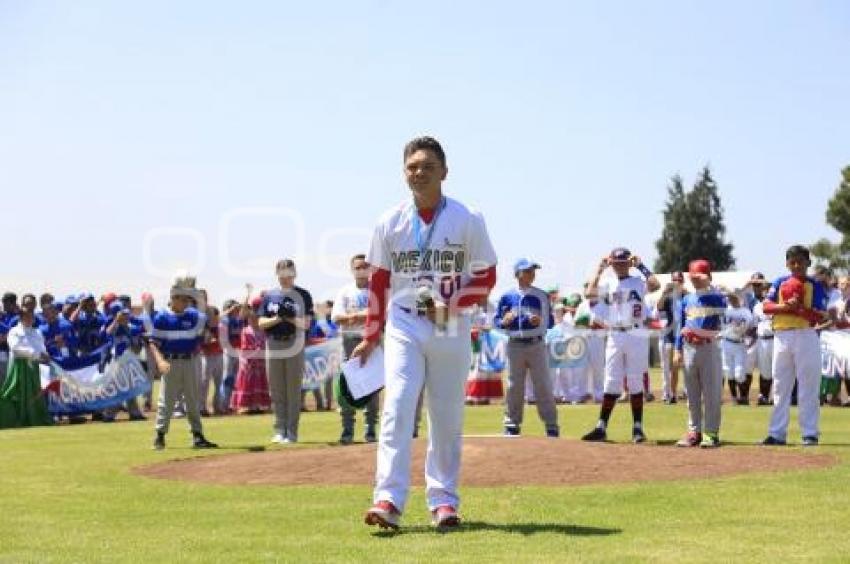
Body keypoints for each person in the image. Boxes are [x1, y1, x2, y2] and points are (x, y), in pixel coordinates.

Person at [355, 136, 497, 531]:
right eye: (412, 167)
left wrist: (450, 307)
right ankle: (388, 498)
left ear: (444, 173)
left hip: (450, 323)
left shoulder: (468, 217)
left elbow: (487, 275)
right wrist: (371, 333)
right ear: (404, 173)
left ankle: (444, 501)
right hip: (404, 320)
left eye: (427, 167)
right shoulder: (389, 221)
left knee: (446, 415)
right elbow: (379, 281)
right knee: (397, 406)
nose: (419, 173)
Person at [581, 247, 660, 444]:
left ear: (629, 262)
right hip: (615, 333)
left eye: (623, 262)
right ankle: (601, 426)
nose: (620, 265)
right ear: (612, 264)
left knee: (635, 381)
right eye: (616, 263)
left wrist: (641, 266)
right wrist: (599, 270)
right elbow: (589, 295)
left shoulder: (638, 282)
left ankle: (637, 428)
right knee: (611, 381)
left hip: (636, 333)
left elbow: (656, 285)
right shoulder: (607, 283)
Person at [761, 245, 828, 446]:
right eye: (792, 261)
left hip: (806, 334)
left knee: (808, 386)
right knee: (781, 386)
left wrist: (798, 309)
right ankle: (777, 433)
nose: (796, 265)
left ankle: (809, 433)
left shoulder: (814, 284)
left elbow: (818, 315)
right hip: (782, 335)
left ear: (809, 262)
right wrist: (785, 307)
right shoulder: (781, 282)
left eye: (801, 261)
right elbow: (766, 306)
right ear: (787, 263)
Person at [495, 258, 559, 437]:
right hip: (514, 344)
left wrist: (538, 321)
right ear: (518, 274)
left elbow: (549, 323)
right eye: (528, 271)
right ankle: (511, 424)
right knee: (514, 386)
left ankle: (551, 424)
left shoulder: (541, 295)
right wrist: (504, 321)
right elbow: (497, 322)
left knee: (543, 385)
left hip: (536, 343)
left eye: (533, 271)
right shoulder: (507, 296)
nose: (532, 274)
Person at [149, 286, 217, 450]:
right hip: (171, 361)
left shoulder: (193, 315)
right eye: (183, 299)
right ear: (173, 299)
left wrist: (202, 301)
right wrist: (159, 361)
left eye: (188, 299)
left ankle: (197, 435)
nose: (186, 302)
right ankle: (160, 435)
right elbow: (153, 342)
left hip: (191, 360)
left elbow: (210, 324)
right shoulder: (162, 317)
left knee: (193, 399)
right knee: (167, 400)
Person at [258, 258, 314, 444]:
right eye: (281, 274)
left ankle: (292, 431)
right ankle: (279, 429)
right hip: (274, 343)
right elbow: (261, 323)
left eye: (288, 274)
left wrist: (290, 318)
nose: (285, 278)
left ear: (294, 274)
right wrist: (277, 317)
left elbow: (306, 324)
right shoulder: (270, 296)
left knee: (293, 389)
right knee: (276, 389)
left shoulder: (303, 295)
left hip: (294, 342)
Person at [673, 260, 727, 448]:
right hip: (689, 347)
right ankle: (694, 431)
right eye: (692, 277)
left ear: (708, 276)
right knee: (692, 393)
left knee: (711, 393)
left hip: (709, 346)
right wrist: (677, 349)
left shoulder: (715, 296)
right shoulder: (687, 299)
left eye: (699, 276)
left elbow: (722, 307)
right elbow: (681, 325)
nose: (695, 280)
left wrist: (708, 283)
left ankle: (711, 433)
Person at [331, 253, 379, 444]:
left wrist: (353, 316)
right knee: (347, 386)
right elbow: (336, 317)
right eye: (357, 267)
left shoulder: (376, 290)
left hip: (371, 340)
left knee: (372, 385)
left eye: (364, 266)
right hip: (349, 341)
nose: (361, 270)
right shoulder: (345, 291)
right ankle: (347, 429)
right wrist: (363, 316)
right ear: (352, 270)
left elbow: (378, 315)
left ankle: (370, 429)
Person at [0, 308, 53, 428]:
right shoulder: (14, 332)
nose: (31, 320)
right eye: (28, 317)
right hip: (18, 369)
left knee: (34, 394)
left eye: (32, 317)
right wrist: (35, 354)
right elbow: (16, 348)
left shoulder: (37, 332)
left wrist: (44, 355)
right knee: (16, 394)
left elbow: (41, 348)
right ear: (21, 317)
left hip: (34, 370)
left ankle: (34, 418)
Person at [231, 297, 270, 414]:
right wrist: (255, 351)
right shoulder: (246, 331)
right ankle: (248, 406)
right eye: (253, 317)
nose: (255, 319)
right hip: (249, 361)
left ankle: (258, 405)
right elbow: (245, 346)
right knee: (248, 383)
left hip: (260, 361)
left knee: (259, 382)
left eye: (257, 317)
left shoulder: (264, 331)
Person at [721, 290, 754, 405]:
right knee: (729, 373)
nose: (732, 299)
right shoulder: (725, 309)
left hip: (739, 344)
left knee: (739, 373)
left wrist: (746, 332)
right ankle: (735, 398)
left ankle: (744, 396)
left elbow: (751, 327)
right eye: (731, 298)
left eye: (735, 297)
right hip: (726, 343)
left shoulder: (745, 311)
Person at [656, 272, 685, 404]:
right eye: (675, 280)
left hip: (684, 334)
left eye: (679, 280)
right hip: (670, 335)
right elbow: (659, 307)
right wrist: (664, 292)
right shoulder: (667, 297)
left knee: (682, 367)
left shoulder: (686, 296)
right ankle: (668, 393)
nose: (677, 282)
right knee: (669, 367)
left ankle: (680, 392)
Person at [747, 273, 775, 406]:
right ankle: (763, 397)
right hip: (761, 339)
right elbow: (753, 325)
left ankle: (776, 397)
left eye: (764, 287)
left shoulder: (776, 303)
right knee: (765, 371)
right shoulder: (756, 305)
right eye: (756, 285)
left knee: (778, 370)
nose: (762, 290)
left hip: (775, 339)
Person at [199, 306, 225, 416]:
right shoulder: (203, 328)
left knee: (219, 383)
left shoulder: (220, 327)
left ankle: (217, 406)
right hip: (207, 356)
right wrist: (208, 340)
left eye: (214, 315)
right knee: (204, 383)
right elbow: (202, 343)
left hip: (219, 355)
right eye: (210, 316)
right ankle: (201, 407)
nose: (213, 318)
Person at [220, 298, 243, 412]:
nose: (236, 309)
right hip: (227, 352)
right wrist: (229, 310)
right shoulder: (225, 320)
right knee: (227, 378)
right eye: (233, 308)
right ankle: (223, 404)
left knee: (235, 379)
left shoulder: (238, 320)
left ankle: (230, 403)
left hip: (238, 352)